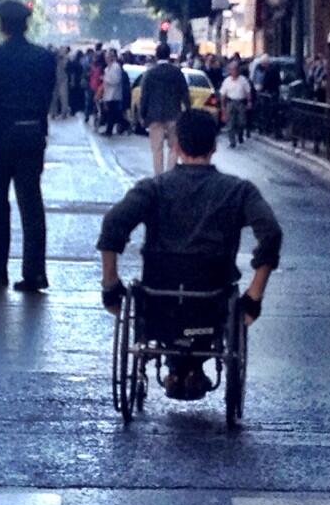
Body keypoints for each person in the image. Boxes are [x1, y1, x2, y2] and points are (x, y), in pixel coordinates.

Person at [97, 110, 282, 400]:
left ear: (177, 146)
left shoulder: (154, 188)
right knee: (211, 309)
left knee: (164, 308)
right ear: (214, 146)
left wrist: (110, 284)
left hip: (159, 295)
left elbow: (113, 223)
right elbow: (270, 232)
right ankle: (192, 368)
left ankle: (177, 368)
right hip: (212, 296)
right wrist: (254, 296)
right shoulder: (238, 191)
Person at [0, 0, 57, 293]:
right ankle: (35, 273)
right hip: (31, 136)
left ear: (2, 25)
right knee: (31, 206)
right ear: (26, 25)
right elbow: (47, 99)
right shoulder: (44, 58)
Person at [139, 43, 190, 174]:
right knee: (174, 147)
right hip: (174, 114)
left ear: (156, 55)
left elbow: (144, 95)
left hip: (154, 115)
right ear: (169, 55)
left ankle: (159, 176)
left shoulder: (150, 73)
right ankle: (170, 174)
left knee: (157, 148)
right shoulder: (176, 72)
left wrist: (142, 114)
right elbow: (185, 93)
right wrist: (188, 111)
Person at [219, 59, 252, 148]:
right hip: (230, 102)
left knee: (242, 122)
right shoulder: (227, 81)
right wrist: (222, 107)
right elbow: (223, 95)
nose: (234, 71)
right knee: (230, 123)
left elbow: (248, 92)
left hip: (240, 103)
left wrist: (249, 101)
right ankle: (232, 141)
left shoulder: (243, 80)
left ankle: (240, 134)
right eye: (232, 69)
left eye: (235, 69)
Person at [102, 49, 124, 136]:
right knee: (112, 113)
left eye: (107, 57)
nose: (106, 59)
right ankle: (121, 125)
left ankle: (109, 131)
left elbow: (116, 80)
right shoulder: (107, 68)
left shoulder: (116, 67)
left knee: (112, 113)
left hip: (114, 94)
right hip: (108, 94)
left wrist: (105, 79)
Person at [67, 51, 85, 116]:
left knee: (72, 96)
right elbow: (74, 73)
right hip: (76, 81)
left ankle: (73, 110)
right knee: (75, 96)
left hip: (74, 81)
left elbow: (72, 73)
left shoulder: (73, 63)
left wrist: (72, 81)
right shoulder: (78, 64)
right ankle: (75, 109)